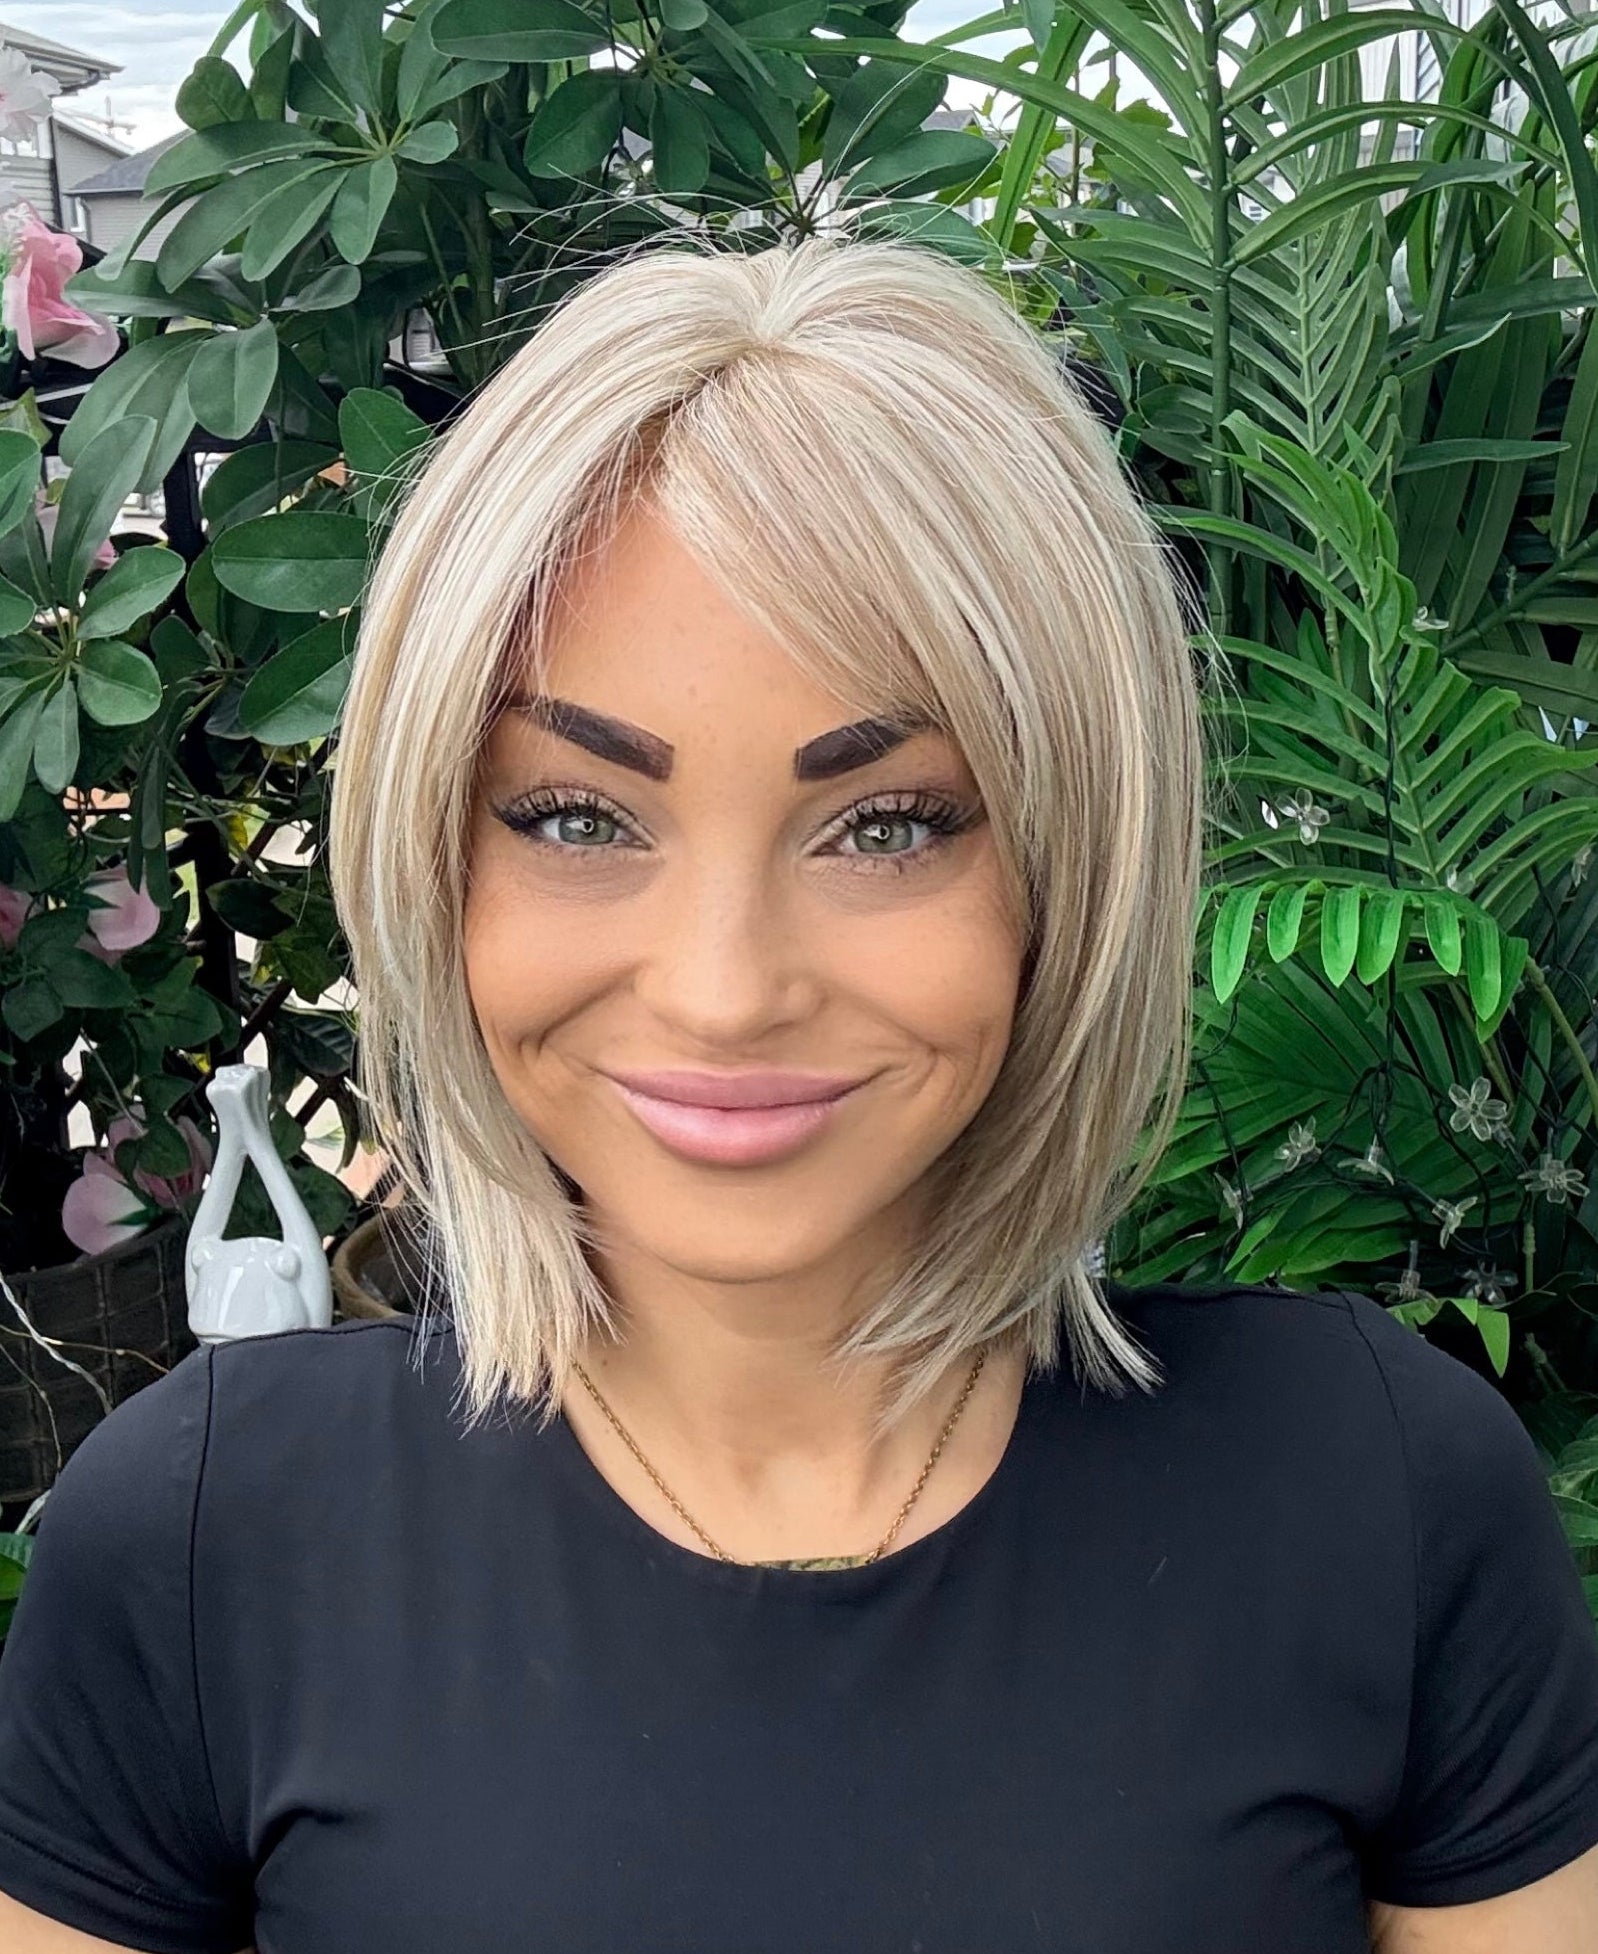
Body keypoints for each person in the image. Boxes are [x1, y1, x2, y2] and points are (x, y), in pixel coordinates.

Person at [0, 235, 1594, 1954]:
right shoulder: (205, 1541)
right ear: (435, 852)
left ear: (1071, 863)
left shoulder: (1374, 1495)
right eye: (577, 816)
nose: (723, 987)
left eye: (885, 823)